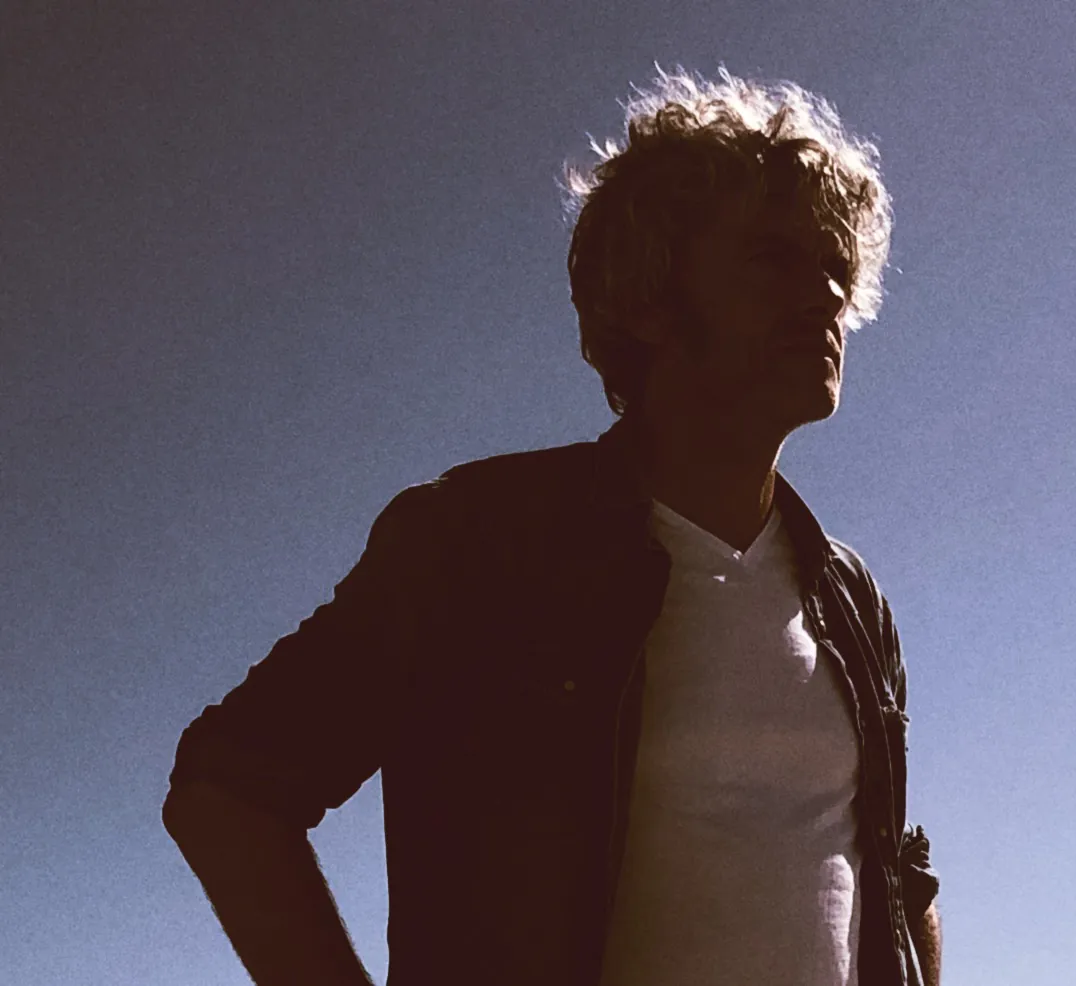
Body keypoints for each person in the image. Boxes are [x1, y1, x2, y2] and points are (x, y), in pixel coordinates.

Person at [163, 63, 941, 986]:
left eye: (834, 267)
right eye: (773, 258)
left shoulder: (849, 599)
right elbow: (228, 792)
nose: (823, 295)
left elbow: (895, 878)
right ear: (649, 298)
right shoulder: (480, 542)